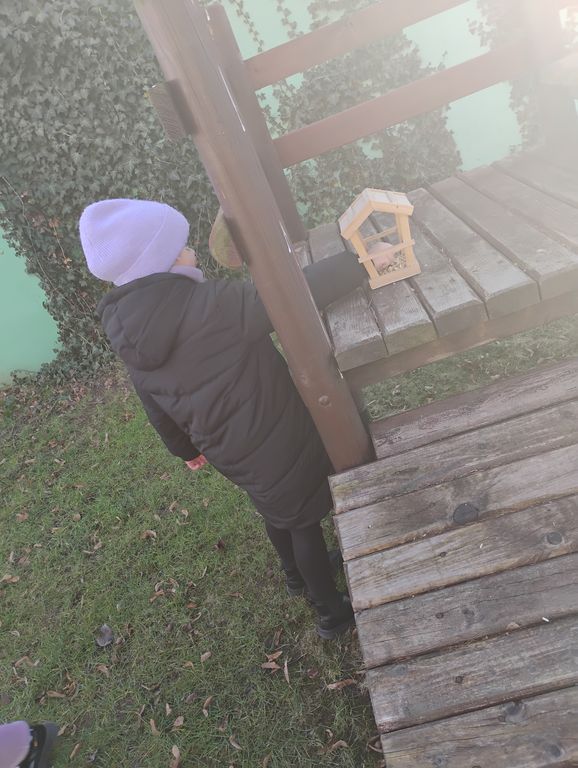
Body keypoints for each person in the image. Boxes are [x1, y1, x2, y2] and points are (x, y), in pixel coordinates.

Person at [79, 199, 368, 639]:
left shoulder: (131, 336)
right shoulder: (213, 303)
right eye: (182, 248)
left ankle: (294, 576)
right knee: (303, 519)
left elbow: (154, 405)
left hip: (227, 449)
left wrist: (185, 450)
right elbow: (288, 296)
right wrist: (357, 265)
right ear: (160, 263)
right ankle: (330, 612)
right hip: (273, 434)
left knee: (274, 507)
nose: (192, 251)